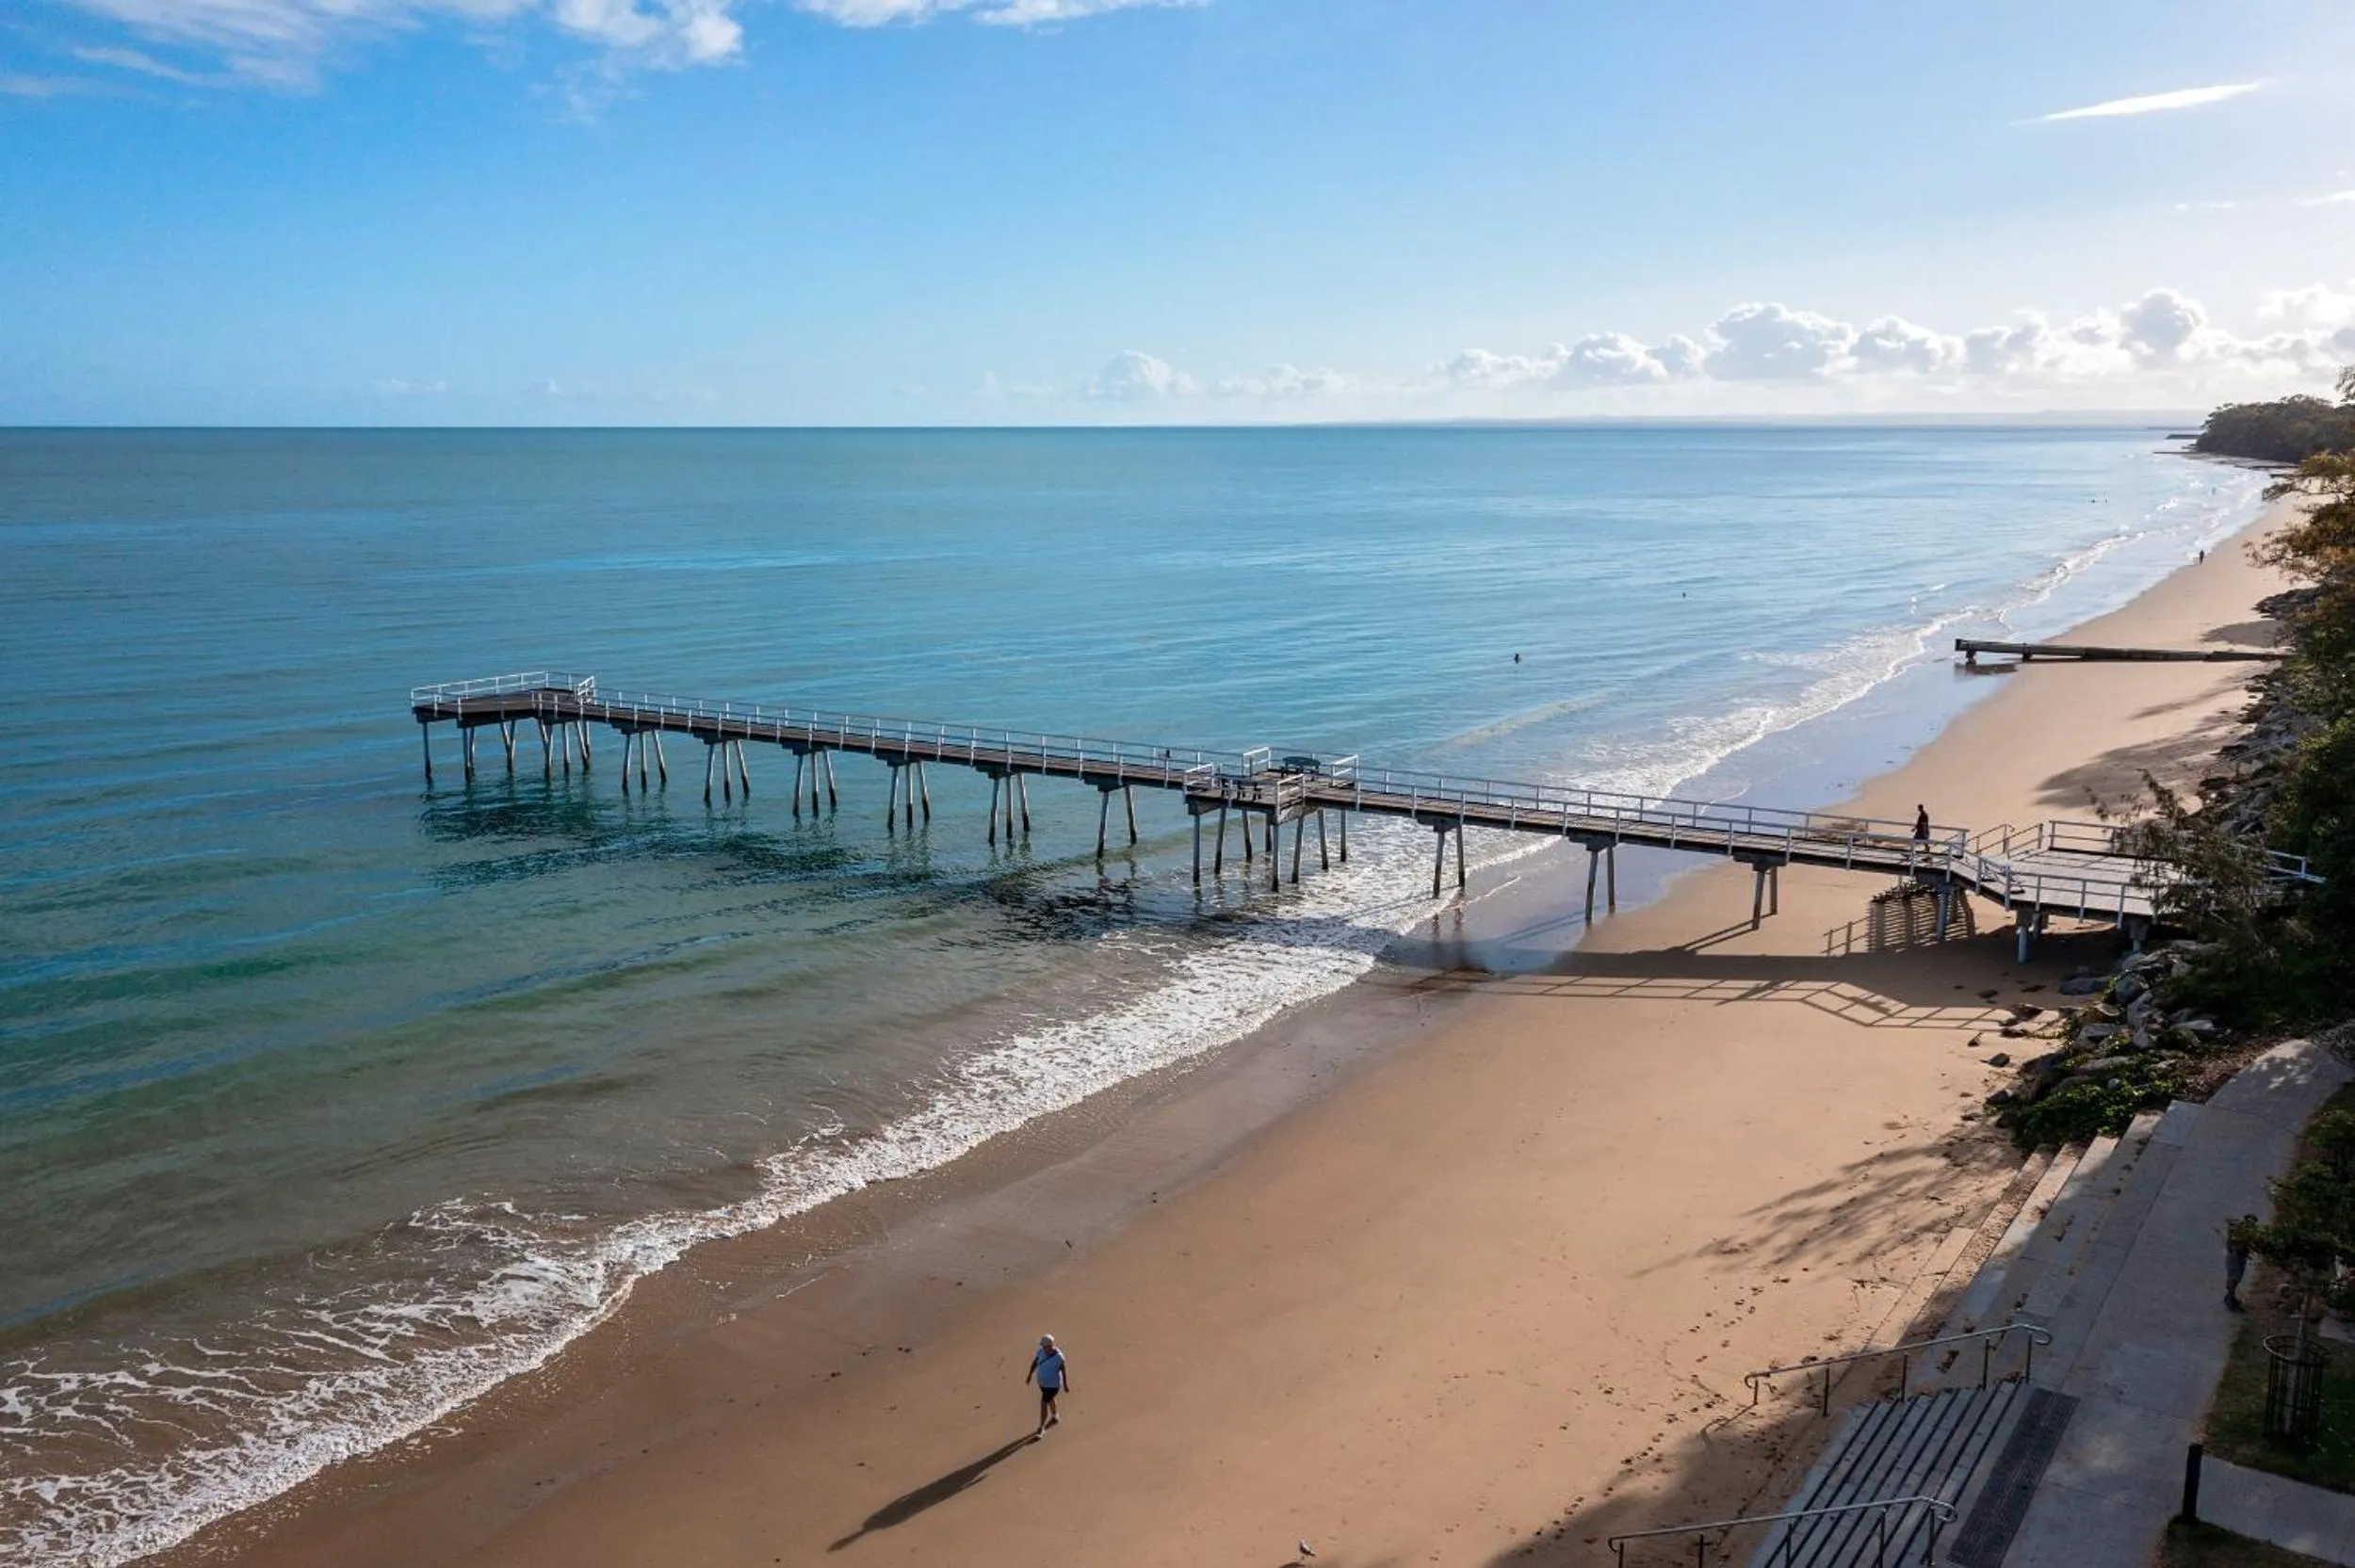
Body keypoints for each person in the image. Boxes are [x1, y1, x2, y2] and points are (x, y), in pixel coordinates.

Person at [1026, 1334, 1069, 1435]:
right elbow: (1035, 1363)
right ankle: (1055, 1416)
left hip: (1053, 1386)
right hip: (1043, 1384)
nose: (1042, 1348)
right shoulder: (1041, 1352)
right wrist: (1029, 1375)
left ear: (1050, 1346)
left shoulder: (1059, 1357)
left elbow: (1063, 1370)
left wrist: (1066, 1385)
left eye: (1044, 1346)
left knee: (1044, 1403)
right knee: (1051, 1400)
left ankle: (1041, 1427)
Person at [2226, 1215, 2257, 1312]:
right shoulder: (2240, 1233)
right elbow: (2236, 1246)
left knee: (2237, 1277)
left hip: (2239, 1256)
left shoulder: (2245, 1232)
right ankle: (2230, 1299)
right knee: (2233, 1278)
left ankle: (2230, 1297)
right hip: (2235, 1257)